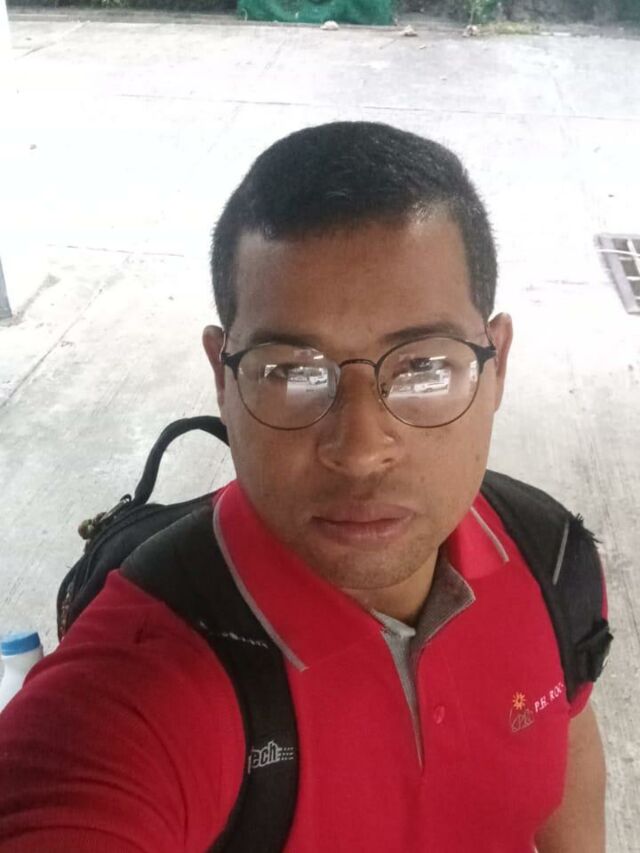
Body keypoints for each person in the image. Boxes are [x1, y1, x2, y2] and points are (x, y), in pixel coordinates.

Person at [0, 121, 607, 852]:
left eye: (422, 366)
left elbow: (565, 729)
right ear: (222, 376)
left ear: (497, 364)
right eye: (292, 371)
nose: (360, 450)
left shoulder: (551, 560)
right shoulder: (142, 681)